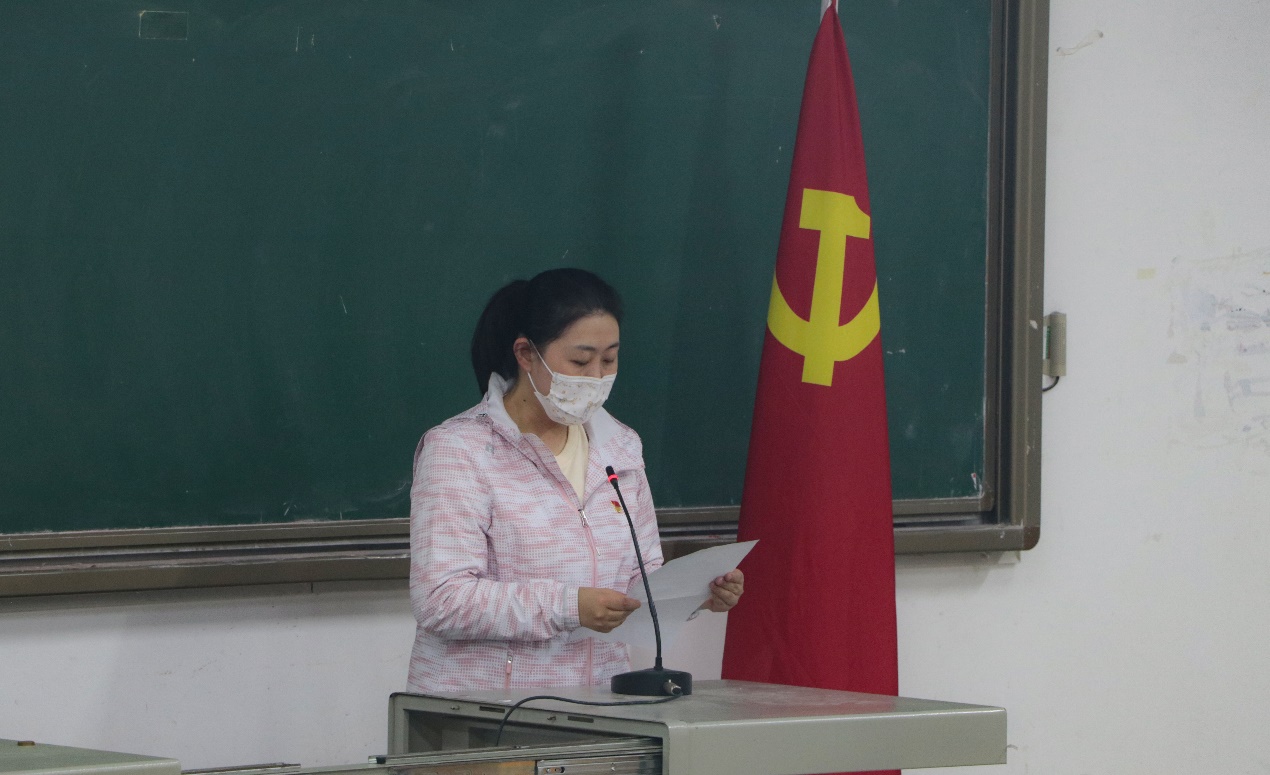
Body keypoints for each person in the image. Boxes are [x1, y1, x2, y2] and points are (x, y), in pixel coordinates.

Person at [407, 268, 743, 694]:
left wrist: (695, 594)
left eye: (610, 359)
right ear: (526, 354)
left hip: (598, 704)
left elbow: (640, 580)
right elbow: (441, 600)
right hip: (485, 709)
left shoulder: (620, 446)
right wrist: (570, 606)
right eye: (581, 362)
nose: (597, 376)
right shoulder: (461, 450)